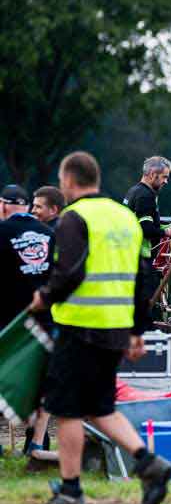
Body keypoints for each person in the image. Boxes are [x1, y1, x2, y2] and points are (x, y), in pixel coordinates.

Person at [28, 151, 171, 504]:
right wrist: (138, 330)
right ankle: (149, 464)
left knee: (67, 410)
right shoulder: (123, 217)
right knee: (100, 406)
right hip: (114, 331)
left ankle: (70, 493)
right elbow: (142, 276)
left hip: (80, 328)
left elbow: (69, 273)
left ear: (69, 182)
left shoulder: (74, 218)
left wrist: (43, 298)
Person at [0, 185, 58, 455]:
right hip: (43, 321)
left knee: (4, 377)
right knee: (39, 382)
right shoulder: (50, 234)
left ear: (3, 207)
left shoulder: (2, 232)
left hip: (9, 322)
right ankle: (37, 442)